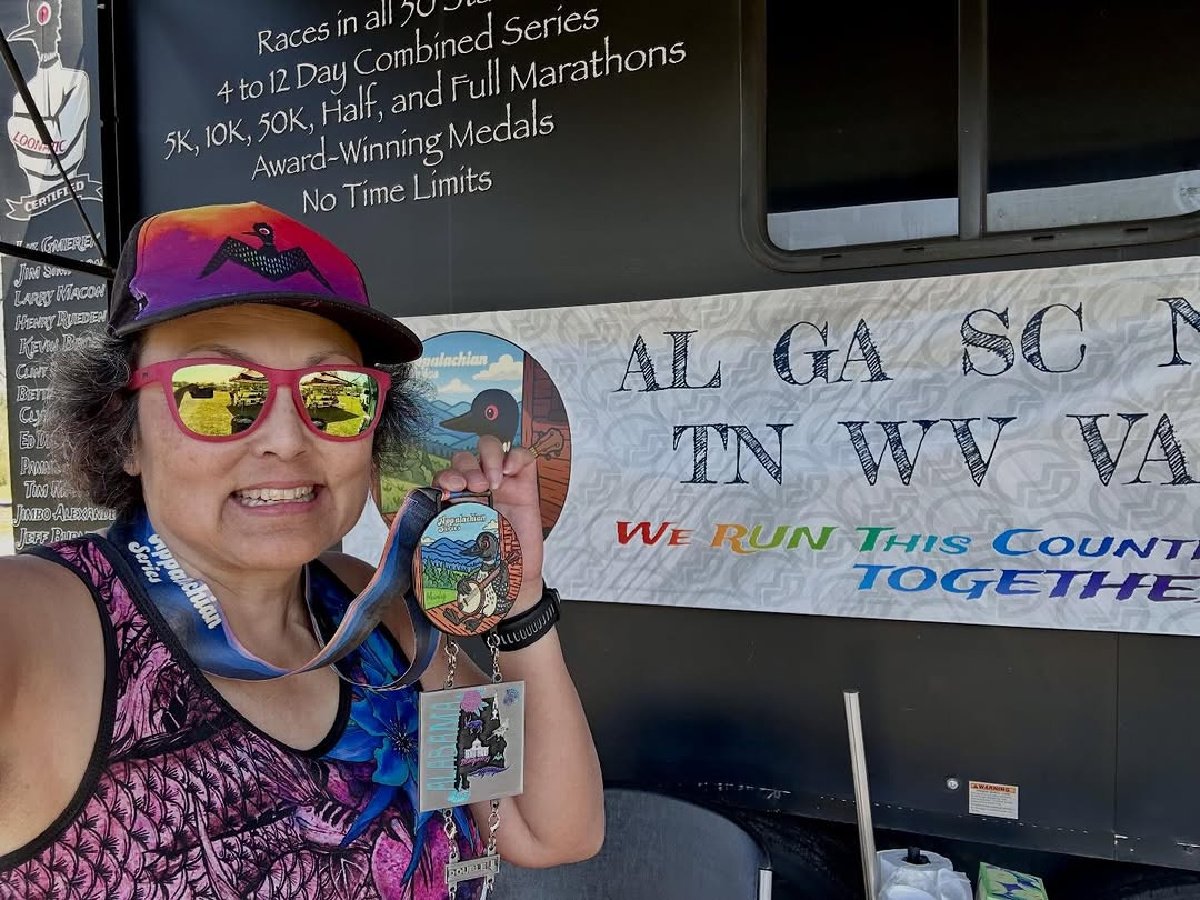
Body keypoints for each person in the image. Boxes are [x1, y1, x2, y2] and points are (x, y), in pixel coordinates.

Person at [0, 201, 604, 899]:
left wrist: (517, 606)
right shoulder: (40, 628)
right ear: (124, 432)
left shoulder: (373, 616)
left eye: (334, 394)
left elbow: (543, 829)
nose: (287, 440)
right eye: (215, 392)